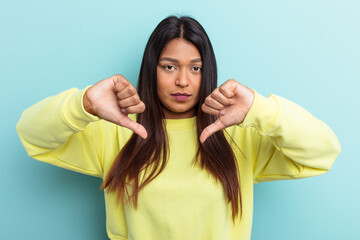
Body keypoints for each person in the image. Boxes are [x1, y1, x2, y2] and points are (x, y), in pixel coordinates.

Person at [16, 16, 341, 240]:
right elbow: (32, 136)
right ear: (151, 69)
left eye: (195, 68)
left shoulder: (239, 135)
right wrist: (83, 103)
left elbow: (323, 152)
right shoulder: (118, 132)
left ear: (207, 71)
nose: (183, 80)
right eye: (169, 66)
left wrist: (262, 108)